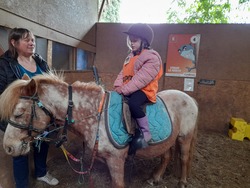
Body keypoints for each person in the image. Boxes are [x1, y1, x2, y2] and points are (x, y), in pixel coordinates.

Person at [0, 28, 59, 187]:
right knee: (20, 152)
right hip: (20, 116)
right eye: (27, 40)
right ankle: (22, 185)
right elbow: (2, 93)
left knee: (42, 143)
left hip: (42, 115)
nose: (32, 43)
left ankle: (41, 173)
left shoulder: (40, 61)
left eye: (33, 40)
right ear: (14, 42)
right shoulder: (5, 64)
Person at [114, 24, 163, 148]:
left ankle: (145, 132)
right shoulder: (130, 57)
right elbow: (122, 73)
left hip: (144, 90)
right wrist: (117, 86)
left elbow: (140, 79)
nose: (132, 43)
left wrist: (124, 90)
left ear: (144, 42)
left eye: (135, 41)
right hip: (129, 89)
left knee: (133, 104)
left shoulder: (152, 57)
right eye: (131, 41)